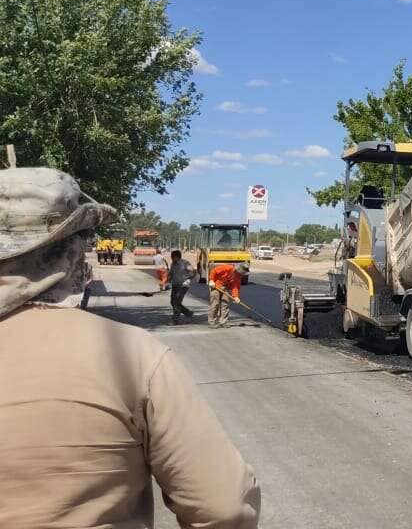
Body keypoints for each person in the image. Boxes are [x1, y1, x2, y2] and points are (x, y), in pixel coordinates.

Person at [0, 167, 260, 528]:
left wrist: (226, 294)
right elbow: (224, 507)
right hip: (193, 292)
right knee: (184, 304)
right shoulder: (130, 355)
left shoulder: (209, 270)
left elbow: (221, 284)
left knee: (189, 304)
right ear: (73, 253)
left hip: (200, 288)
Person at [207, 262, 248, 328]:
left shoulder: (238, 276)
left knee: (225, 304)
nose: (242, 274)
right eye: (242, 272)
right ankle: (212, 322)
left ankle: (223, 322)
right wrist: (211, 280)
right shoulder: (227, 267)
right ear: (239, 269)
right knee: (215, 304)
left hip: (226, 287)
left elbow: (235, 287)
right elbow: (214, 271)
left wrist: (236, 297)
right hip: (215, 285)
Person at [168, 249, 196, 324]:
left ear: (177, 257)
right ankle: (188, 313)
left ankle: (175, 320)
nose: (171, 258)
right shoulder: (173, 264)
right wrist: (168, 282)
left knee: (176, 302)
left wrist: (188, 280)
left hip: (183, 285)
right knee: (172, 302)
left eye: (172, 257)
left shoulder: (185, 263)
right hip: (175, 285)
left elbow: (193, 272)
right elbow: (171, 273)